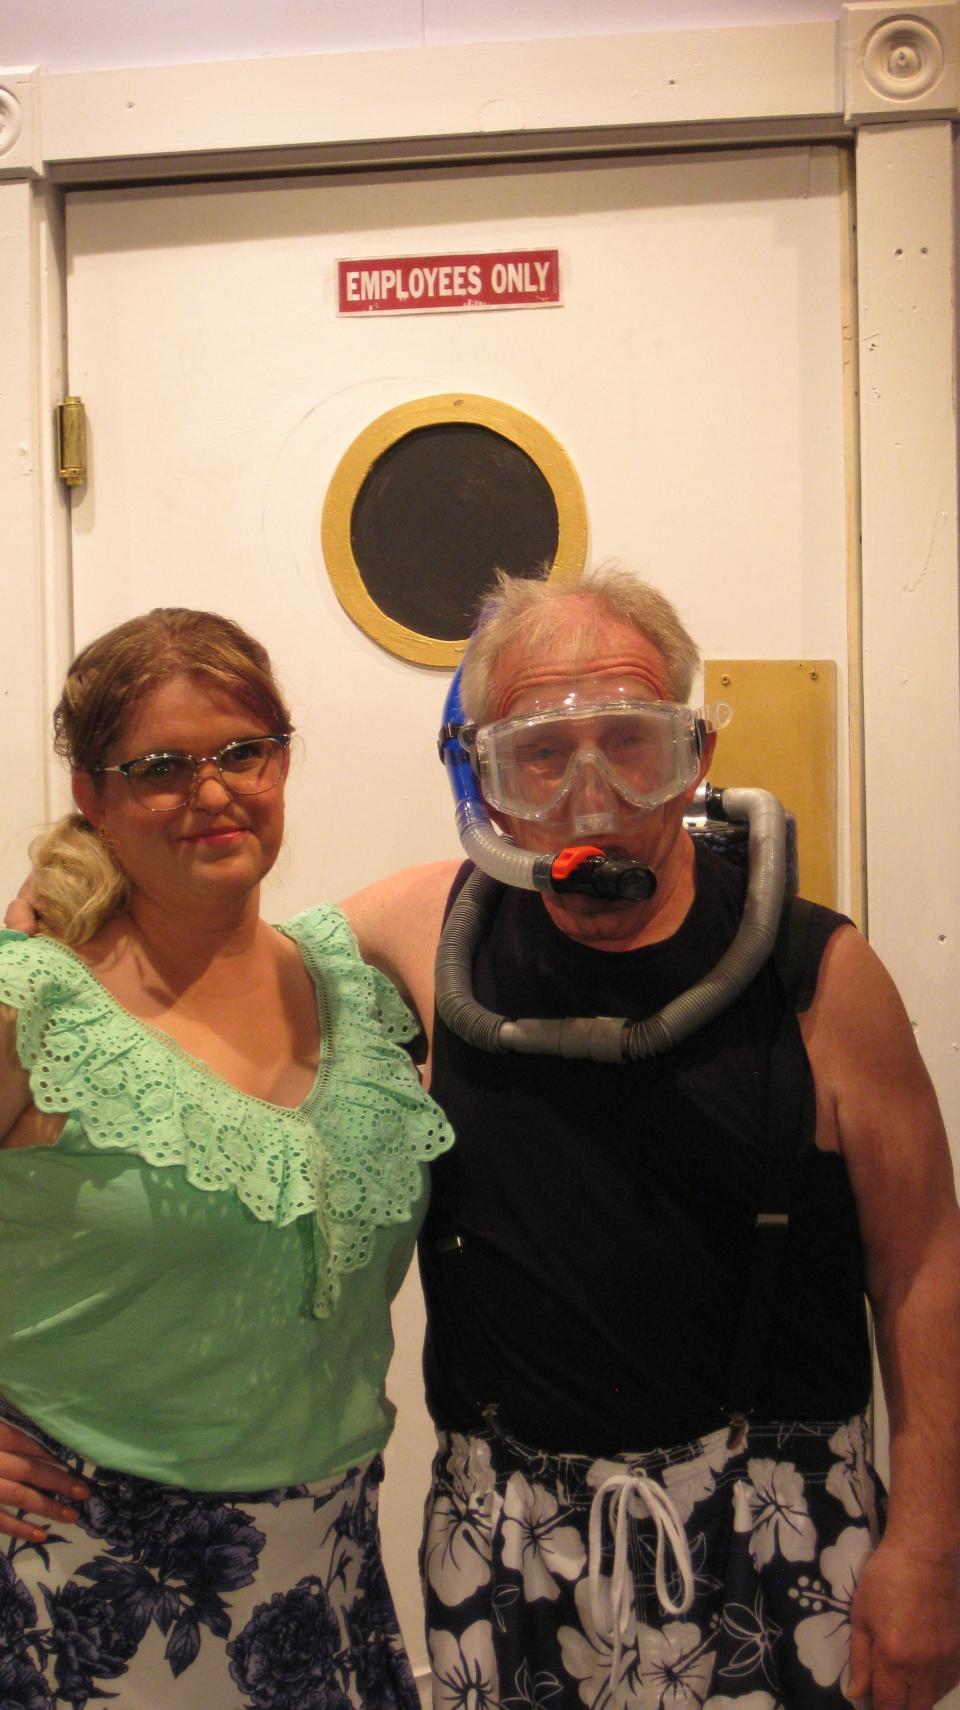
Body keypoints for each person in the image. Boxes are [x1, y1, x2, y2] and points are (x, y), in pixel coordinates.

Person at [334, 566, 960, 1710]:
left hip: (778, 1526)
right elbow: (208, 986)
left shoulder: (818, 974)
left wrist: (931, 1550)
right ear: (481, 780)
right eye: (540, 751)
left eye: (632, 740)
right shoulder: (425, 939)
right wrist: (69, 914)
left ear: (697, 755)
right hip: (508, 1542)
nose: (590, 795)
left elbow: (922, 1267)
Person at [0, 607, 452, 1709]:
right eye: (159, 768)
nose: (212, 793)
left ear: (283, 759)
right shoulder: (35, 1005)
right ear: (91, 795)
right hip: (74, 1590)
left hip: (327, 1584)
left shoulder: (358, 982)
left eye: (243, 752)